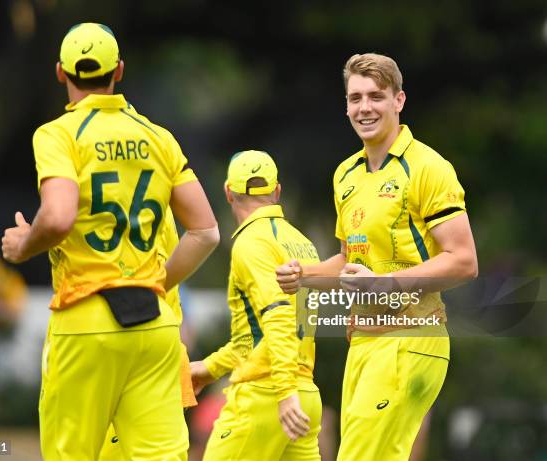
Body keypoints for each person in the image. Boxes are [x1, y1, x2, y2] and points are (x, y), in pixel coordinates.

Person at [1, 22, 219, 461]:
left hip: (85, 322)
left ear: (61, 73)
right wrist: (156, 282)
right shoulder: (159, 138)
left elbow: (59, 216)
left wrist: (24, 244)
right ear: (119, 70)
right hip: (155, 326)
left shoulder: (58, 134)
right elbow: (206, 232)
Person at [276, 53, 478, 461]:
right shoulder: (345, 174)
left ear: (399, 101)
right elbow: (348, 262)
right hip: (364, 343)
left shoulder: (428, 167)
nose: (364, 107)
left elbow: (464, 260)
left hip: (410, 339)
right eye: (355, 98)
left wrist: (384, 284)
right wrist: (304, 275)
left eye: (376, 96)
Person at [191, 150, 322, 461]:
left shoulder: (250, 243)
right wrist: (210, 369)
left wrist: (284, 391)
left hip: (269, 395)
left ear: (227, 192)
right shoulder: (303, 241)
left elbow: (277, 317)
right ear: (277, 191)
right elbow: (253, 338)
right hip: (305, 394)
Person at [97, 207, 198, 460]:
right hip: (166, 361)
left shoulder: (249, 247)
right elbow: (206, 234)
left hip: (124, 361)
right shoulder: (303, 246)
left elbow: (207, 233)